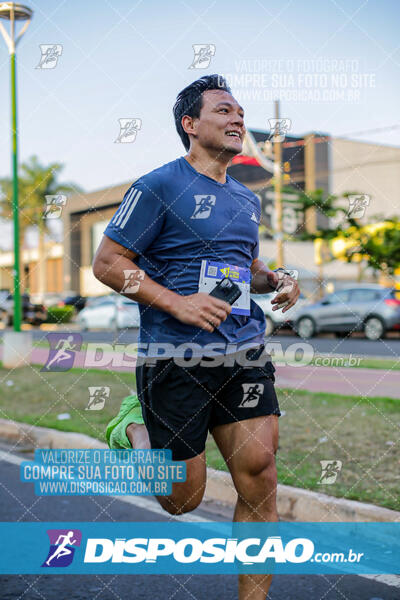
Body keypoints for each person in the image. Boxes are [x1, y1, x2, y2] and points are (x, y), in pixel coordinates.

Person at [92, 74, 300, 599]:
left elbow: (243, 267)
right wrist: (176, 301)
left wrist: (276, 278)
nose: (237, 120)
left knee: (260, 473)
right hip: (173, 355)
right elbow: (108, 263)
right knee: (181, 498)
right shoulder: (158, 186)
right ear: (190, 124)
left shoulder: (246, 199)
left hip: (243, 348)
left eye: (241, 113)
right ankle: (135, 428)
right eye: (224, 111)